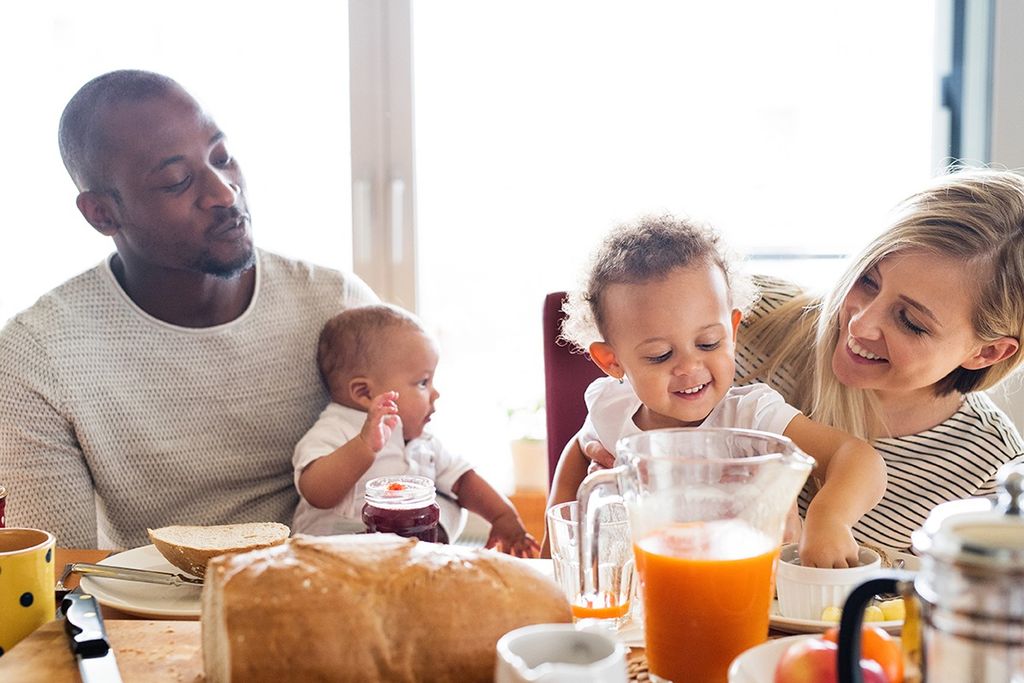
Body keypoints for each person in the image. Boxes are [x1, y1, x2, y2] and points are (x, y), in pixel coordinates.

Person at [0, 70, 378, 549]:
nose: (224, 193)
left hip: (334, 592)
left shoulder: (337, 306)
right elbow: (57, 575)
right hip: (147, 615)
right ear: (102, 214)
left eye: (222, 158)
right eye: (177, 181)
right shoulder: (38, 356)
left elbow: (412, 479)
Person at [566, 168, 1024, 552]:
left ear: (987, 351)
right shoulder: (738, 323)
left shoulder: (994, 469)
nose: (860, 324)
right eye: (866, 279)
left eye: (910, 321)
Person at [548, 215, 886, 568]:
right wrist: (554, 537)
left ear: (733, 330)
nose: (690, 368)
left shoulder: (752, 416)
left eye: (709, 343)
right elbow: (579, 448)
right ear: (612, 361)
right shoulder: (612, 405)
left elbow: (859, 458)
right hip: (642, 597)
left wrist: (829, 519)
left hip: (745, 595)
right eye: (660, 355)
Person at [291, 304, 539, 556]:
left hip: (405, 559)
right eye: (423, 382)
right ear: (364, 393)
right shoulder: (334, 429)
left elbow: (464, 482)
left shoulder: (424, 442)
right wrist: (364, 446)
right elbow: (317, 493)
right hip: (333, 558)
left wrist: (502, 516)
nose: (435, 393)